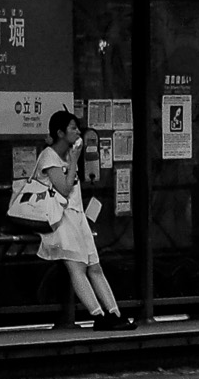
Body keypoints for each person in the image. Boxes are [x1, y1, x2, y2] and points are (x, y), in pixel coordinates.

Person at [37, 109, 130, 330]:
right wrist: (75, 160)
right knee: (77, 268)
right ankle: (97, 315)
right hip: (60, 220)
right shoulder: (48, 157)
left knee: (95, 266)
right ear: (60, 133)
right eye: (72, 128)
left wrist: (76, 157)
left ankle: (115, 312)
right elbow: (64, 188)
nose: (77, 131)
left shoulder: (70, 153)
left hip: (78, 218)